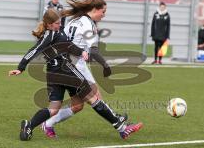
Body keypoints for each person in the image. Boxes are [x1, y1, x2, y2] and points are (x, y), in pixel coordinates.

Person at [9, 9, 142, 141]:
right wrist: (21, 68)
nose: (59, 25)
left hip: (53, 75)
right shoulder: (50, 34)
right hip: (67, 72)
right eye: (56, 23)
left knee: (55, 108)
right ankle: (122, 128)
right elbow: (34, 50)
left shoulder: (56, 32)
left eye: (59, 22)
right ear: (49, 24)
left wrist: (81, 52)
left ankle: (29, 125)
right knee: (93, 98)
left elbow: (68, 46)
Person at [41, 0, 122, 139]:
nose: (104, 15)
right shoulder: (88, 24)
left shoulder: (75, 20)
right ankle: (119, 123)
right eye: (103, 12)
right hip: (74, 66)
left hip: (67, 64)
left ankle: (48, 124)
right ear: (95, 10)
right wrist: (105, 65)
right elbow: (94, 51)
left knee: (78, 105)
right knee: (95, 96)